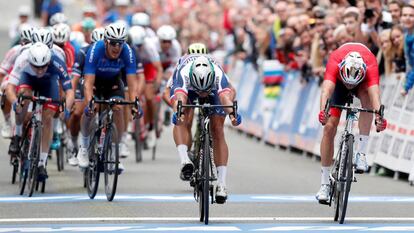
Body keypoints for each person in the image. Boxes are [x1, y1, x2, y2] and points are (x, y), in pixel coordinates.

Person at [316, 42, 387, 203]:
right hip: (338, 84)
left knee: (368, 101)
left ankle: (361, 153)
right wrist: (323, 113)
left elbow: (375, 94)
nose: (350, 86)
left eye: (351, 84)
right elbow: (326, 91)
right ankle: (324, 183)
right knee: (329, 128)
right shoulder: (335, 60)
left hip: (362, 84)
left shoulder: (370, 64)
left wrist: (379, 118)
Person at [170, 54, 242, 204]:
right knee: (182, 117)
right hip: (188, 90)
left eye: (205, 91)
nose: (202, 95)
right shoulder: (183, 74)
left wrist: (233, 115)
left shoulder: (218, 74)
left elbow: (225, 99)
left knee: (217, 129)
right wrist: (179, 112)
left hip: (215, 91)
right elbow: (180, 98)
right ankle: (185, 161)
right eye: (200, 91)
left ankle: (222, 184)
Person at [76, 22, 141, 171]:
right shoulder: (95, 50)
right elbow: (87, 83)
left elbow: (132, 84)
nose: (117, 47)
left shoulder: (127, 52)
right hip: (94, 82)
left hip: (112, 82)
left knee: (118, 106)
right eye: (113, 43)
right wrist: (89, 102)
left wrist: (135, 104)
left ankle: (114, 152)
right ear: (106, 42)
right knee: (92, 108)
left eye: (120, 43)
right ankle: (84, 147)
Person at [6, 42, 74, 180]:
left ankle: (41, 163)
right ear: (30, 60)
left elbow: (69, 91)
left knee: (47, 118)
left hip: (49, 83)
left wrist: (66, 108)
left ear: (48, 61)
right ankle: (18, 135)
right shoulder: (23, 60)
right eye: (36, 66)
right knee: (23, 99)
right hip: (28, 80)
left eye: (43, 66)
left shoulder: (57, 62)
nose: (39, 71)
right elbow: (10, 88)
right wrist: (14, 103)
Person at [67, 28, 105, 166]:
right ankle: (73, 143)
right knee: (77, 113)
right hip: (84, 82)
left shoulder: (109, 53)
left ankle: (103, 139)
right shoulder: (83, 52)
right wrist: (69, 93)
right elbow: (75, 78)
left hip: (99, 83)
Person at [128, 26, 162, 149]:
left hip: (147, 68)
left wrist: (157, 83)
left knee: (149, 97)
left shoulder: (149, 46)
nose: (137, 49)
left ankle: (151, 126)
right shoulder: (127, 48)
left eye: (139, 46)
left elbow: (158, 68)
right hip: (133, 69)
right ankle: (130, 123)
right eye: (135, 46)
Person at [0, 24, 33, 139]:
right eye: (26, 42)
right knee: (5, 89)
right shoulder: (15, 51)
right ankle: (7, 121)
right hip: (15, 76)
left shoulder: (39, 51)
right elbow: (2, 72)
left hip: (30, 79)